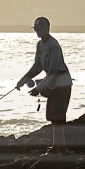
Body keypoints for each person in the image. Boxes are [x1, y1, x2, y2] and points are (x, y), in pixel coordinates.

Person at [16, 16, 72, 155]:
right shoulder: (40, 45)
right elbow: (38, 65)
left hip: (62, 83)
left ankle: (62, 148)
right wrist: (24, 79)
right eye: (36, 29)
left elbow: (53, 71)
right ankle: (56, 147)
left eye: (39, 29)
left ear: (47, 29)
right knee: (53, 116)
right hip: (52, 84)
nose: (37, 32)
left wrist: (39, 88)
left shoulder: (53, 46)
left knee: (58, 117)